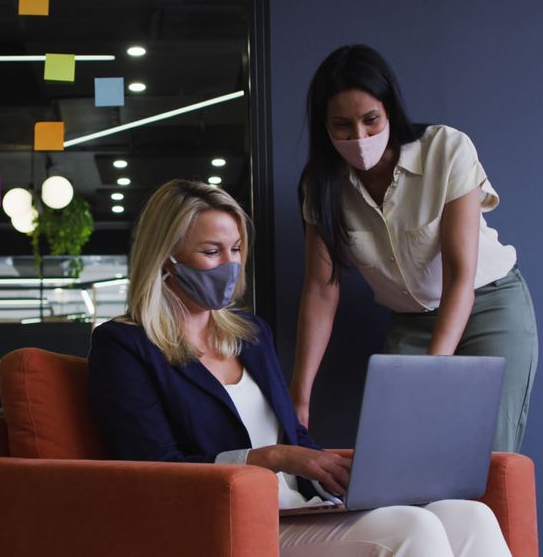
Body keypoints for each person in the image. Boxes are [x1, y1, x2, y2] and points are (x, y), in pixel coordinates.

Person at [88, 179, 512, 556]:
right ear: (166, 259)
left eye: (236, 250)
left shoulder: (249, 334)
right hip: (230, 520)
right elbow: (151, 466)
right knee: (411, 527)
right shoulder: (124, 346)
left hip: (302, 507)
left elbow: (293, 435)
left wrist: (340, 470)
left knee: (467, 515)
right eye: (211, 252)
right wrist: (270, 458)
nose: (230, 265)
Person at [291, 45, 538, 452]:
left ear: (389, 109)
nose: (360, 138)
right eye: (342, 126)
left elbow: (460, 276)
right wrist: (300, 395)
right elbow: (321, 288)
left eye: (371, 121)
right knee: (402, 454)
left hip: (486, 305)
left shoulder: (446, 149)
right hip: (411, 321)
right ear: (324, 127)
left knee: (487, 451)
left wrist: (432, 371)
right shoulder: (320, 186)